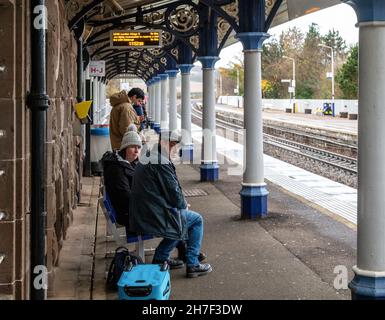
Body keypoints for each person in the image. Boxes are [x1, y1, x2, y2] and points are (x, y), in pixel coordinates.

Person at [129, 131, 212, 278]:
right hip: (152, 215)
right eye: (174, 147)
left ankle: (163, 258)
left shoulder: (150, 156)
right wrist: (183, 204)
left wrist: (180, 205)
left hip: (144, 212)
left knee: (180, 217)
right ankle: (192, 263)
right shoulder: (161, 162)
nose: (176, 151)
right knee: (194, 219)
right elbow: (174, 193)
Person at [102, 130, 142, 226]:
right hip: (131, 216)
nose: (137, 151)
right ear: (124, 148)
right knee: (176, 219)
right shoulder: (116, 170)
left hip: (133, 211)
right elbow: (126, 198)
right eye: (133, 147)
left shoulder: (124, 162)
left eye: (139, 147)